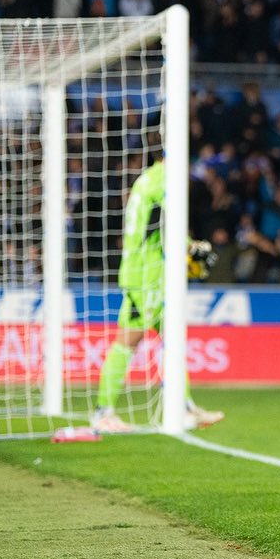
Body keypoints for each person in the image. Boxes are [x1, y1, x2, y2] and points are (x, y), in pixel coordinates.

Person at [91, 156, 224, 433]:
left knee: (173, 339)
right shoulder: (162, 180)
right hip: (146, 275)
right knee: (128, 340)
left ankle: (184, 408)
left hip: (149, 272)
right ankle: (103, 412)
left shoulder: (147, 180)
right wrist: (191, 247)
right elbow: (168, 226)